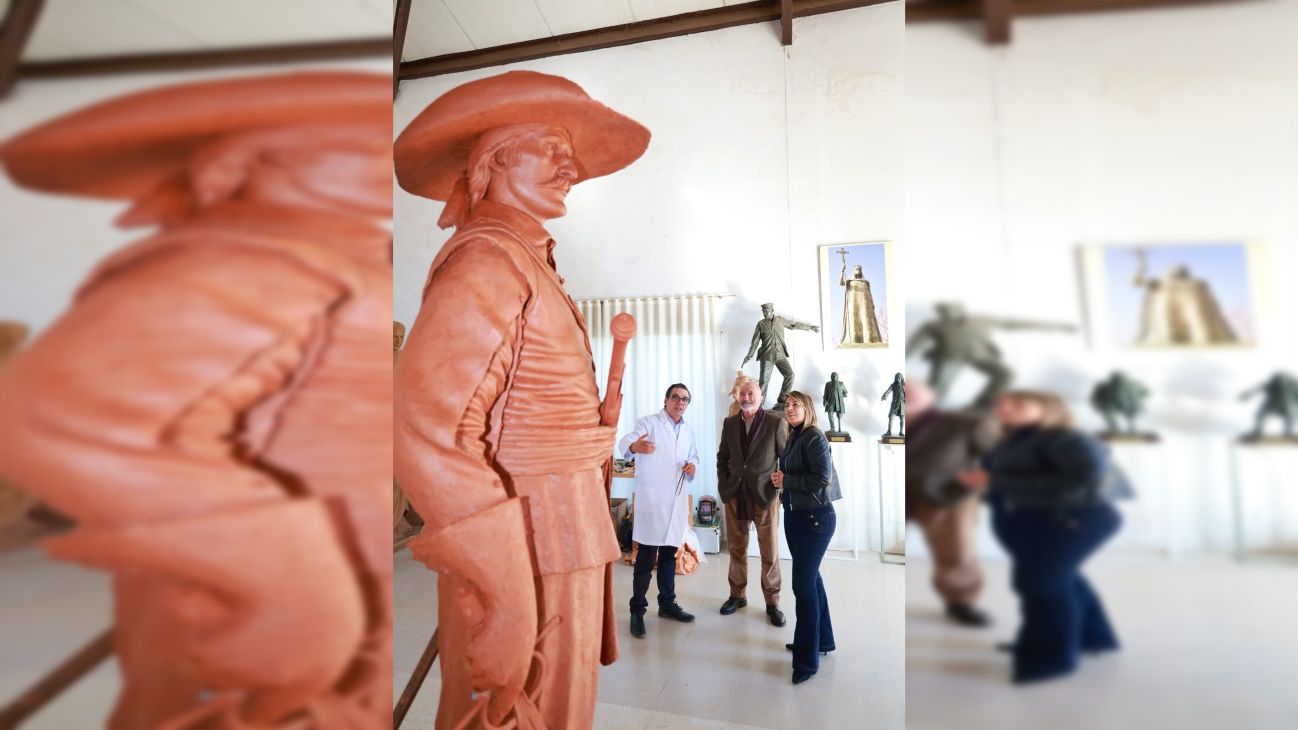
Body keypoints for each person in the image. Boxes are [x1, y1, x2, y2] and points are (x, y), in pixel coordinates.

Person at [0, 72, 393, 727]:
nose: (383, 156)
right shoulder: (259, 258)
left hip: (345, 547)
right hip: (257, 598)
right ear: (247, 163)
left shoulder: (332, 254)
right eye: (355, 144)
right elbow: (59, 418)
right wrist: (285, 575)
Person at [392, 70, 651, 729]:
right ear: (493, 160)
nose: (570, 166)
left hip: (560, 526)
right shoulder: (489, 261)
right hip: (525, 537)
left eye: (570, 152)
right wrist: (502, 588)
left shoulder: (530, 259)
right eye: (550, 147)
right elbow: (429, 428)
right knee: (514, 710)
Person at [958, 391, 1123, 683]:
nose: (1005, 408)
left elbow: (1087, 480)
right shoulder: (1018, 437)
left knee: (1040, 583)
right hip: (1040, 521)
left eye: (1018, 404)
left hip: (1074, 519)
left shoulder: (1067, 438)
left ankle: (1049, 659)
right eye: (1001, 404)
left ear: (1048, 409)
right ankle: (1093, 639)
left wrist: (997, 481)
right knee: (1063, 578)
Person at [905, 378, 999, 627]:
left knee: (956, 552)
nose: (907, 393)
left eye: (913, 389)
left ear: (930, 393)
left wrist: (980, 479)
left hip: (949, 497)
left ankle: (962, 601)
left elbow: (999, 456)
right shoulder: (898, 422)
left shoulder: (965, 423)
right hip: (907, 494)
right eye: (903, 390)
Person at [617, 383, 701, 638]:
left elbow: (694, 456)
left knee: (668, 556)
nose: (680, 402)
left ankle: (667, 604)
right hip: (652, 502)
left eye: (685, 399)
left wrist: (692, 466)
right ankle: (637, 610)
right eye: (675, 397)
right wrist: (634, 448)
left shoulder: (687, 430)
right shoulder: (649, 423)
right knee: (645, 559)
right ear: (666, 400)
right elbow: (625, 443)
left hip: (675, 501)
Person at [772, 391, 842, 684]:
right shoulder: (795, 436)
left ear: (808, 408)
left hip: (814, 520)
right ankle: (821, 641)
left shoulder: (813, 436)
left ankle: (806, 660)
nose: (789, 409)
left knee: (803, 586)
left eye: (795, 404)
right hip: (797, 516)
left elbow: (821, 477)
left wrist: (786, 481)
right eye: (787, 405)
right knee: (812, 580)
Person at [716, 378, 789, 626]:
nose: (746, 398)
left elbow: (785, 458)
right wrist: (723, 484)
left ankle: (773, 602)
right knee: (736, 549)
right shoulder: (729, 424)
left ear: (760, 397)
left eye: (751, 394)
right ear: (738, 397)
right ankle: (737, 596)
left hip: (765, 496)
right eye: (743, 394)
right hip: (735, 495)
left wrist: (781, 483)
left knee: (769, 551)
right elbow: (722, 457)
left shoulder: (776, 423)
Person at [741, 303, 819, 409]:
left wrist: (809, 327)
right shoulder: (760, 324)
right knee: (763, 381)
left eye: (766, 311)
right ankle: (758, 405)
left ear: (772, 311)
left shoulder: (780, 320)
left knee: (790, 375)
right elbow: (755, 341)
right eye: (763, 312)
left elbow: (794, 325)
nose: (764, 313)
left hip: (780, 354)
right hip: (767, 356)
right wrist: (749, 356)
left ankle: (782, 398)